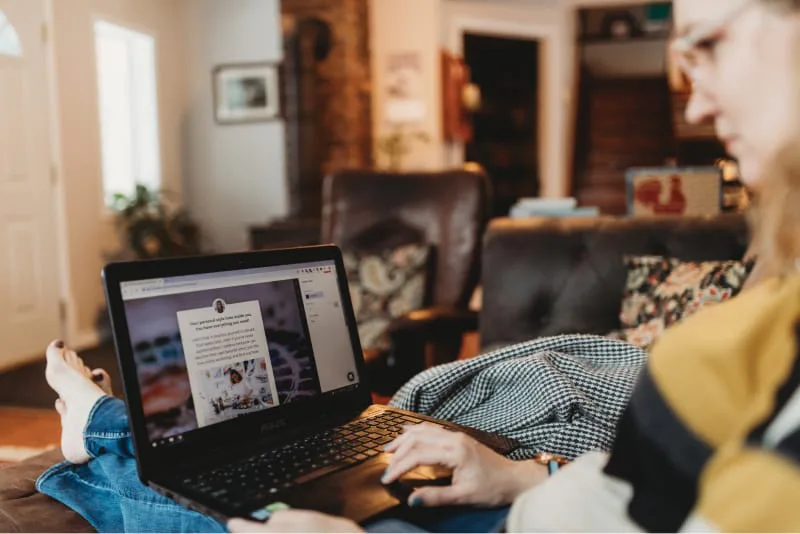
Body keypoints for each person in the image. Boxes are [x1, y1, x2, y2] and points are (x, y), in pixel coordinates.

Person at [37, 0, 800, 531]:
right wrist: (526, 477)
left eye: (708, 42)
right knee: (328, 469)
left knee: (256, 508)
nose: (692, 101)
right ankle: (100, 426)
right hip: (538, 501)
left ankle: (100, 427)